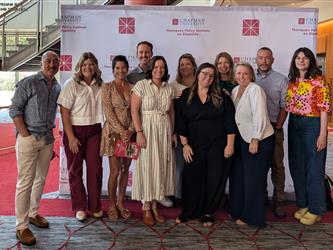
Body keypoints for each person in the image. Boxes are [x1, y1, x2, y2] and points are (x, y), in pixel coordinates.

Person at [175, 62, 237, 227]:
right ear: (197, 74)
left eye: (211, 75)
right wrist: (185, 145)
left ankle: (208, 212)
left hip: (218, 145)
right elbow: (180, 122)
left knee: (214, 179)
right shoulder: (185, 95)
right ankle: (189, 211)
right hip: (193, 145)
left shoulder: (222, 96)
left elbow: (230, 122)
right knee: (191, 178)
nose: (207, 78)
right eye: (204, 74)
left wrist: (230, 145)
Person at [9, 51, 61, 246]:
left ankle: (33, 213)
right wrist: (25, 135)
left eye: (55, 61)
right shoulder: (28, 82)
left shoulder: (57, 86)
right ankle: (21, 226)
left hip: (47, 140)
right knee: (25, 182)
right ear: (41, 63)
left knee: (40, 179)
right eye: (48, 61)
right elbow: (14, 109)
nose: (52, 64)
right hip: (28, 138)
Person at [286, 47, 331, 225]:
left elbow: (324, 109)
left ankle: (316, 209)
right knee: (296, 165)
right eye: (298, 57)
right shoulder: (293, 82)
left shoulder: (319, 81)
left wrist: (322, 134)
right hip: (294, 123)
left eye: (305, 58)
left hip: (312, 124)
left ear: (311, 61)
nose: (301, 60)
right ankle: (304, 204)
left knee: (314, 167)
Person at [57, 52, 104, 222]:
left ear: (96, 66)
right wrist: (70, 137)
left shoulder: (101, 85)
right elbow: (64, 110)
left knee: (95, 170)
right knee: (75, 170)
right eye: (84, 64)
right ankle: (79, 207)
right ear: (79, 66)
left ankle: (95, 206)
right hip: (74, 131)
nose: (88, 67)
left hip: (95, 131)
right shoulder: (71, 83)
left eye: (91, 64)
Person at [131, 56, 176, 226]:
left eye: (162, 67)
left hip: (164, 130)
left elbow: (171, 112)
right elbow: (134, 111)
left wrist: (173, 132)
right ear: (151, 68)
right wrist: (139, 132)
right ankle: (146, 206)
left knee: (161, 167)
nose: (159, 70)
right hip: (147, 130)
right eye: (156, 67)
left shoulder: (168, 88)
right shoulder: (141, 85)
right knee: (148, 167)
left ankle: (155, 205)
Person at [230, 63, 275, 227]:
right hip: (243, 139)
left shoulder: (255, 89)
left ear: (251, 75)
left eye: (245, 73)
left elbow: (260, 116)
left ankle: (253, 217)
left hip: (260, 140)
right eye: (238, 73)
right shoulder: (235, 91)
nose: (241, 76)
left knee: (253, 180)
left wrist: (255, 139)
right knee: (242, 178)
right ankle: (240, 211)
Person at [255, 47, 289, 218]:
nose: (264, 61)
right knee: (257, 166)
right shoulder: (248, 77)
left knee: (277, 166)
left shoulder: (282, 80)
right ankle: (259, 198)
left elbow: (285, 106)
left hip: (274, 127)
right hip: (254, 131)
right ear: (256, 59)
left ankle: (279, 201)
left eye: (267, 58)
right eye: (260, 58)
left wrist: (278, 127)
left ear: (272, 60)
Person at [100, 55, 134, 220]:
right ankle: (111, 204)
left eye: (123, 67)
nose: (120, 71)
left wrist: (131, 130)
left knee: (125, 170)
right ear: (113, 70)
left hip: (130, 135)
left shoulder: (134, 88)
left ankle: (121, 203)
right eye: (117, 68)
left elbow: (137, 111)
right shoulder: (106, 88)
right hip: (113, 134)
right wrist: (122, 131)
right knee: (114, 171)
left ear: (127, 69)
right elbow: (109, 113)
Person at [170, 53, 197, 200]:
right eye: (182, 65)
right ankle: (178, 195)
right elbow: (170, 110)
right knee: (179, 164)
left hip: (198, 131)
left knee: (195, 164)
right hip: (181, 131)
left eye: (188, 64)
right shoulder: (173, 86)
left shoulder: (201, 83)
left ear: (194, 66)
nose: (185, 67)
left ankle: (194, 195)